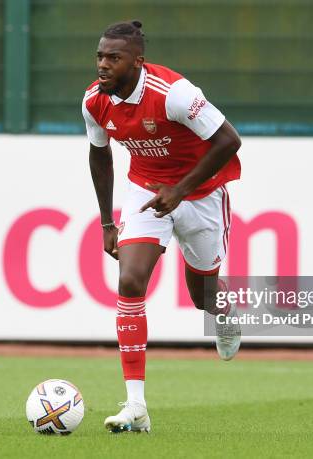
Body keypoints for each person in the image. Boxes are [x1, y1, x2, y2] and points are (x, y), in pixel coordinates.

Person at [82, 20, 242, 433]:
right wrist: (106, 222)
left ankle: (224, 313)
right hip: (145, 191)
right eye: (100, 56)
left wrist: (182, 189)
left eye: (113, 58)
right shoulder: (94, 101)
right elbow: (99, 156)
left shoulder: (174, 94)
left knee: (202, 297)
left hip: (202, 193)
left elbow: (228, 140)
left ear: (137, 61)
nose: (103, 64)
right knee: (130, 281)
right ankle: (136, 405)